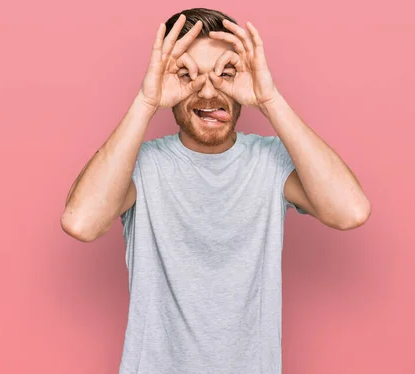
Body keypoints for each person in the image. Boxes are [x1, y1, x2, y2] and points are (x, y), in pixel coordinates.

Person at [61, 8, 371, 374]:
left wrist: (270, 100)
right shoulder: (140, 165)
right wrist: (145, 102)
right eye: (187, 74)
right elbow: (81, 222)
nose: (208, 91)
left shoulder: (269, 162)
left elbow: (350, 211)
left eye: (225, 73)